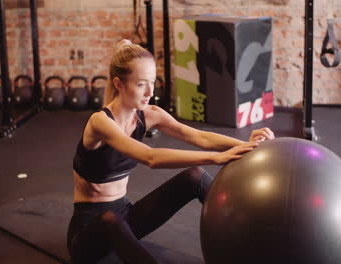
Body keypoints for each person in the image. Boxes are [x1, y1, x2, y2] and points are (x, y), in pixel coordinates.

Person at [67, 39, 275, 264]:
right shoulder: (100, 122)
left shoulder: (148, 114)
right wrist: (215, 158)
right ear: (119, 84)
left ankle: (254, 233)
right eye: (141, 84)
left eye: (153, 82)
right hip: (89, 232)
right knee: (109, 220)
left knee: (194, 177)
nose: (150, 92)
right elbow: (150, 157)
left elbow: (198, 136)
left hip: (125, 216)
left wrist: (243, 145)